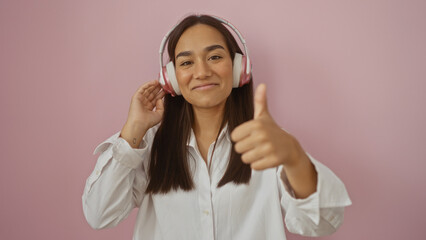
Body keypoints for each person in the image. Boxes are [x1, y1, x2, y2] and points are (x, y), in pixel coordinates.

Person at [82, 14, 352, 240]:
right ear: (172, 79)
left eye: (214, 57)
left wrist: (295, 157)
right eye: (186, 62)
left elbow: (323, 223)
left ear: (238, 68)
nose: (201, 72)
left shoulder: (269, 142)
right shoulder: (148, 144)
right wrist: (133, 130)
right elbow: (99, 215)